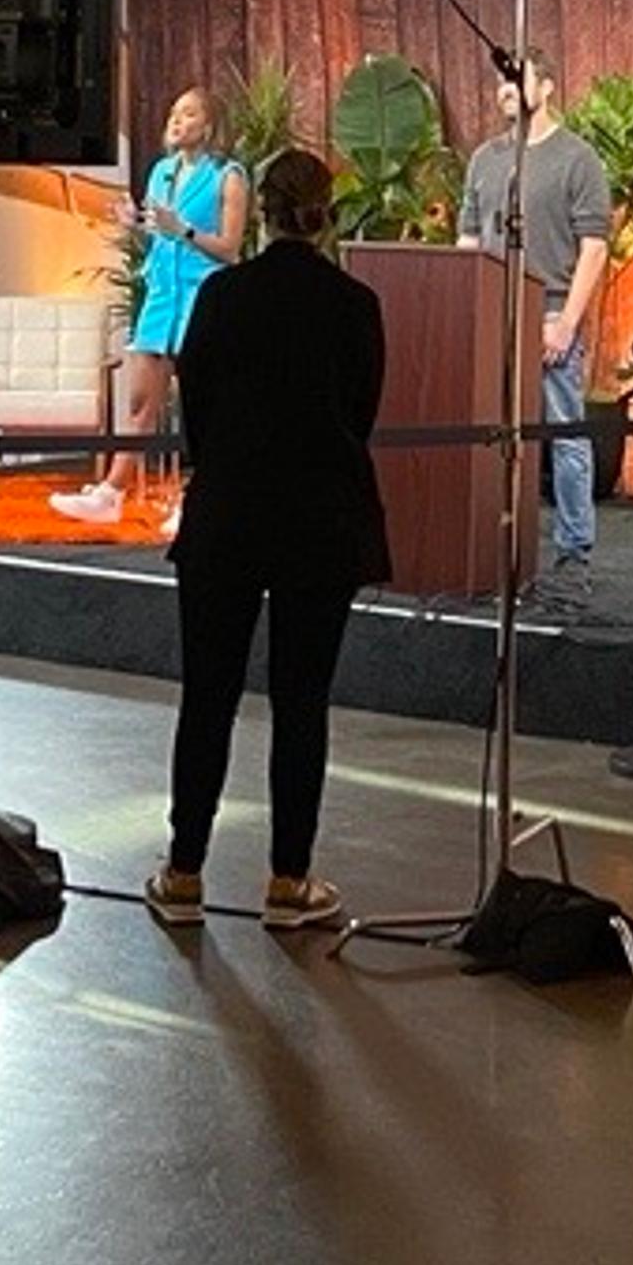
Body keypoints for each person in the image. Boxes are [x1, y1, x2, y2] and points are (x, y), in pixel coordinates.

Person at [148, 148, 387, 932]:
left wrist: (220, 468)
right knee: (302, 703)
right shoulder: (356, 305)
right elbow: (362, 416)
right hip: (321, 520)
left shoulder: (221, 295)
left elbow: (198, 407)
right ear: (325, 213)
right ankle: (290, 880)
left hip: (228, 517)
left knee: (207, 696)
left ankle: (184, 873)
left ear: (267, 214)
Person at [460, 46, 612, 605]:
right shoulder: (485, 159)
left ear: (546, 87)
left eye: (515, 79)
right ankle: (497, 548)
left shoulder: (577, 159)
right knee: (495, 437)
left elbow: (594, 247)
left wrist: (566, 322)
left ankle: (574, 552)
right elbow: (469, 239)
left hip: (548, 313)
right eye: (499, 82)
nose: (504, 89)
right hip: (493, 317)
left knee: (565, 435)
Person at [52, 85, 244, 528]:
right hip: (161, 296)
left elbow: (231, 249)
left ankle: (197, 502)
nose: (178, 121)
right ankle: (111, 492)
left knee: (204, 410)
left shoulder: (229, 176)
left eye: (190, 114)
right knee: (141, 404)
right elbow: (160, 240)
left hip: (204, 297)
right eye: (175, 112)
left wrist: (186, 231)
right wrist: (134, 227)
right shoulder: (162, 172)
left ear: (210, 124)